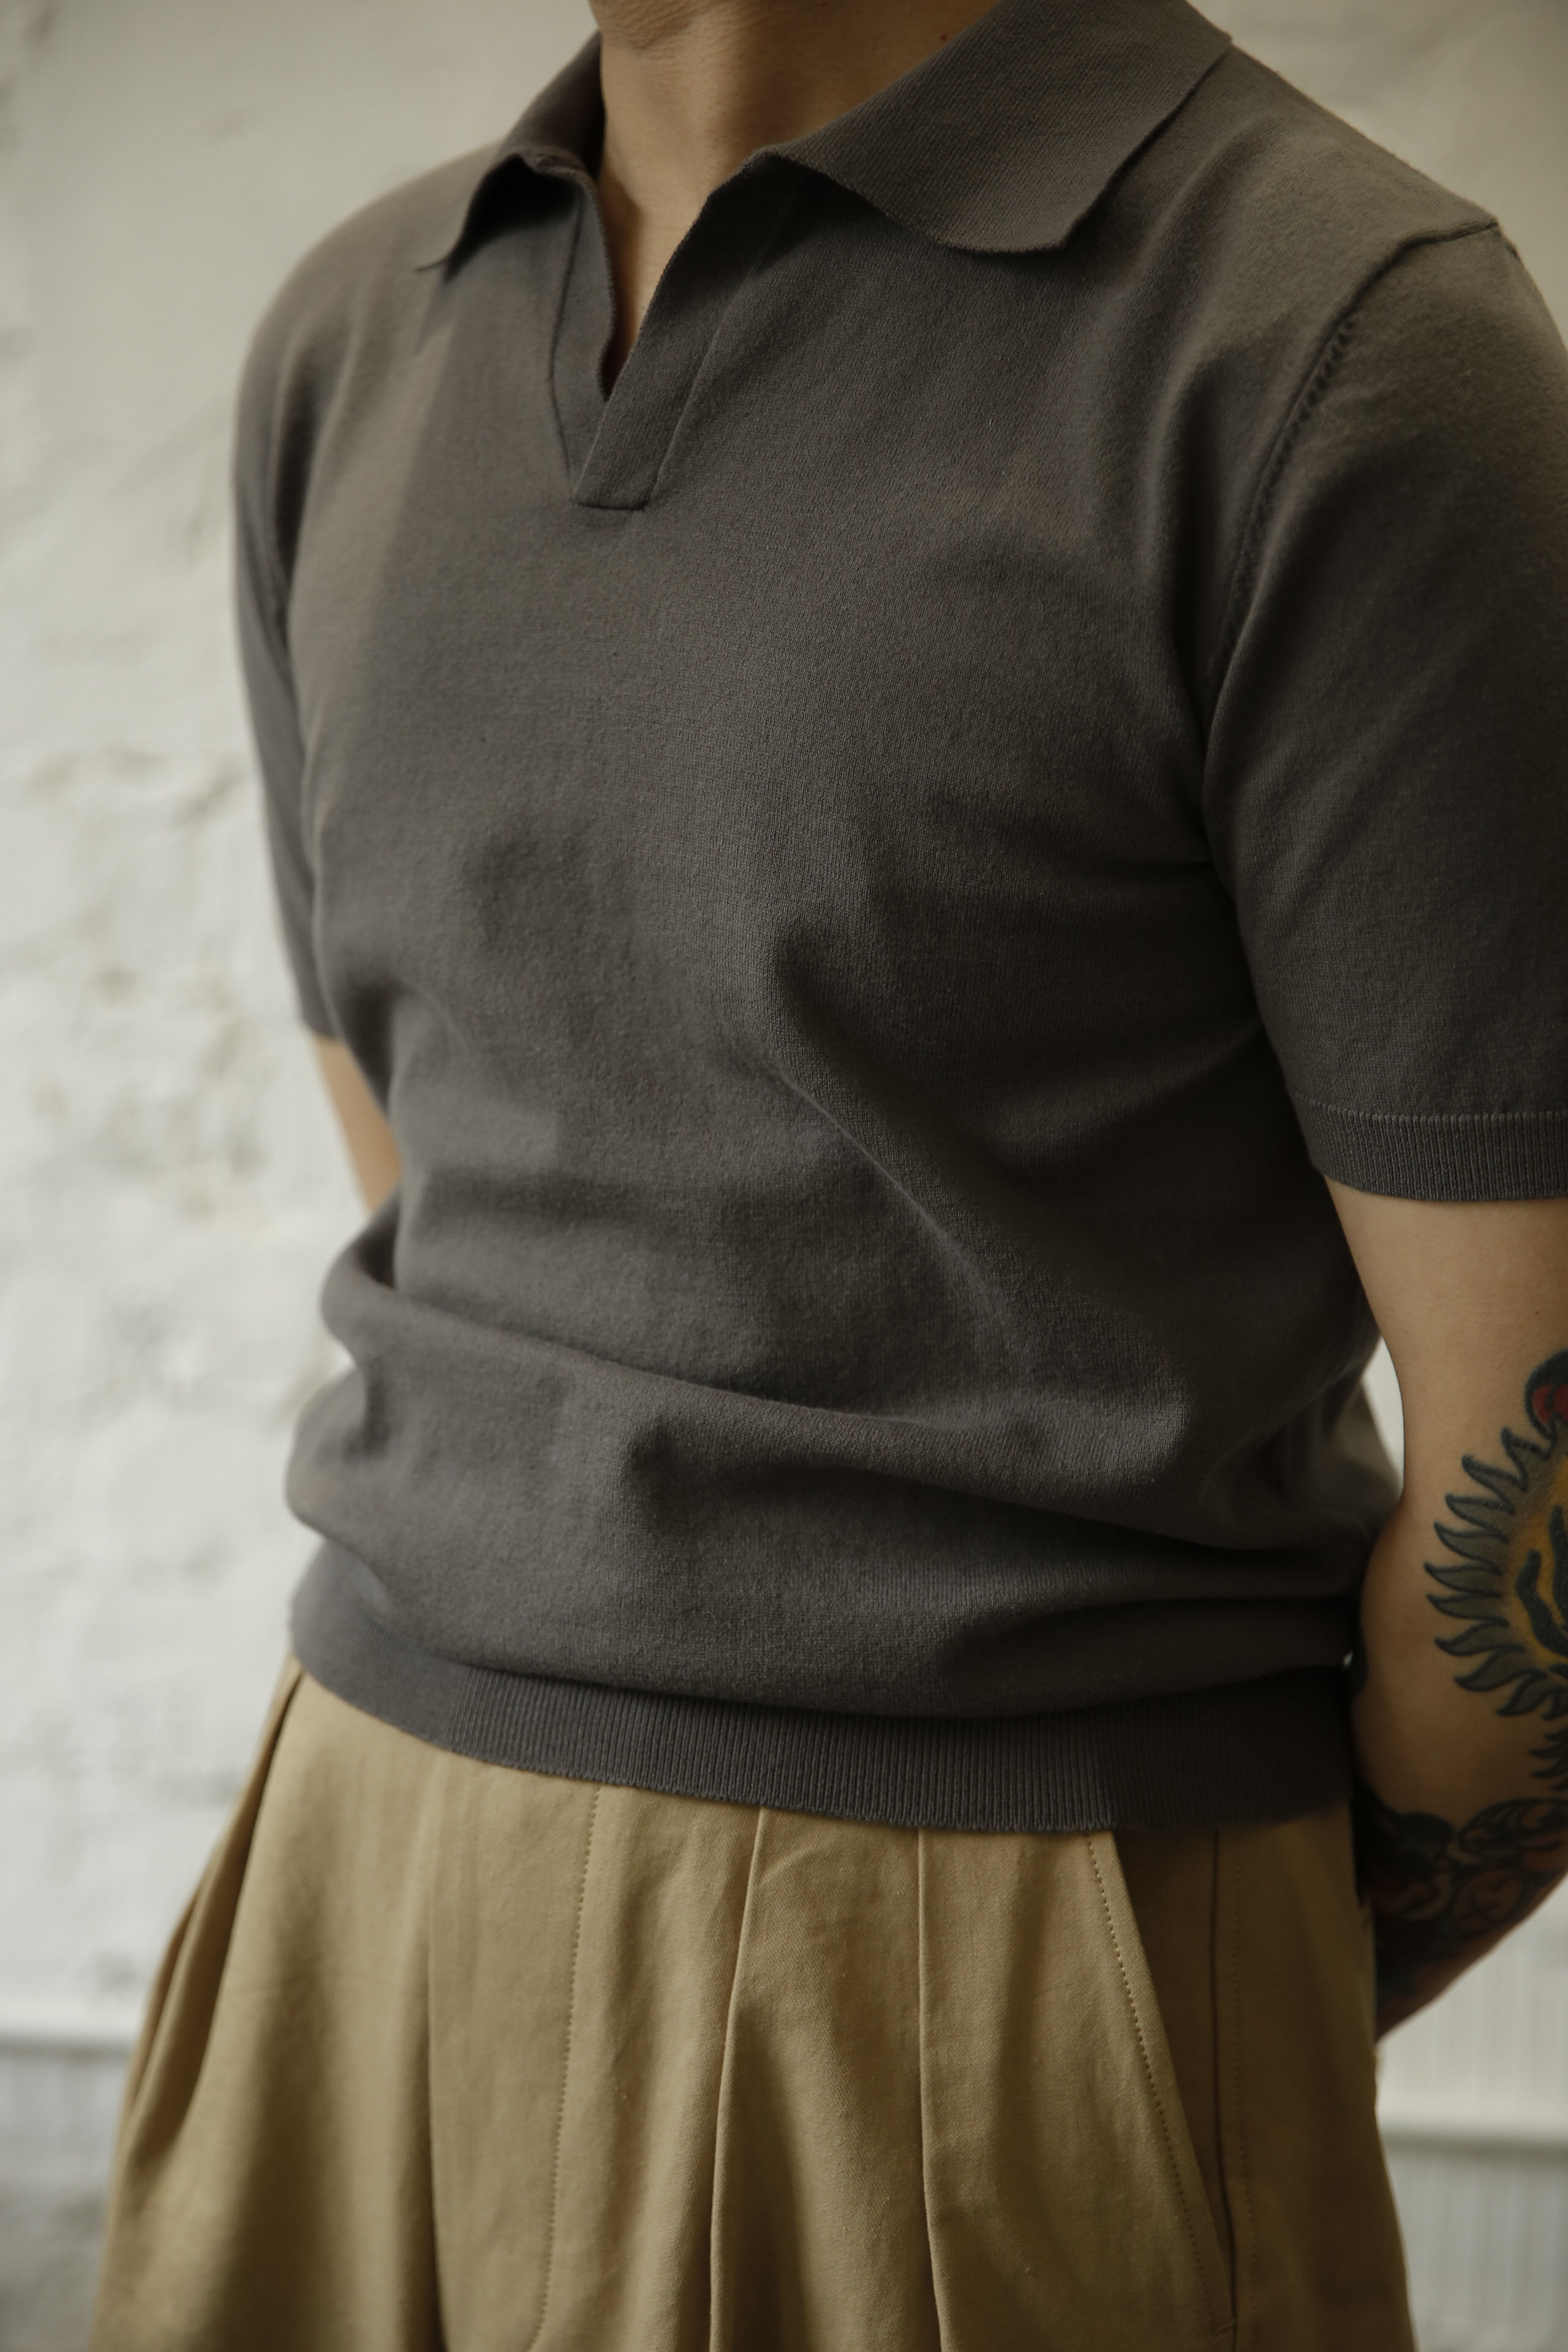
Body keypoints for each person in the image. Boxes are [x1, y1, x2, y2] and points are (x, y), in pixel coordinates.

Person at [91, 0, 1568, 2345]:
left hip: (986, 1964)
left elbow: (1540, 1461)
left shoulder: (1339, 348)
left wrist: (1193, 1963)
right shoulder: (360, 334)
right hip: (345, 1897)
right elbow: (431, 1168)